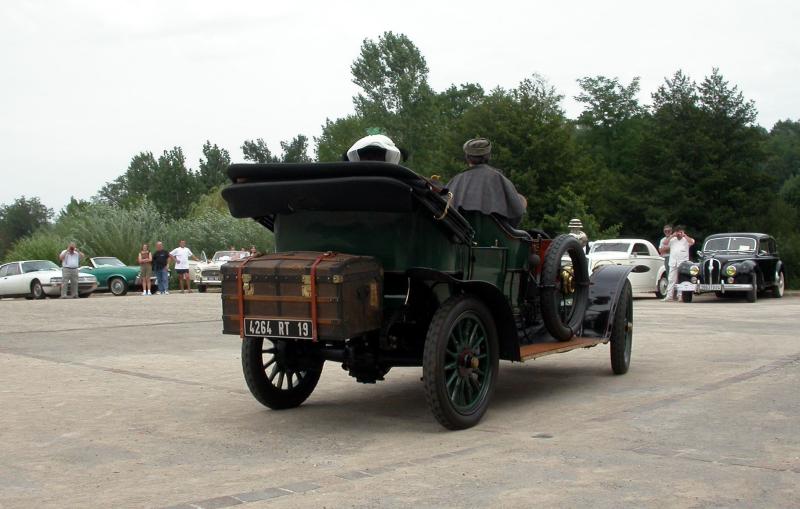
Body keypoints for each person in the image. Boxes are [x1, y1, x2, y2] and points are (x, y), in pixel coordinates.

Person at [446, 137, 527, 228]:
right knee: (521, 200)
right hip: (495, 238)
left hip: (460, 237)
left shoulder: (455, 180)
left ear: (467, 157)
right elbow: (516, 213)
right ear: (489, 156)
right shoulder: (499, 178)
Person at [662, 225, 695, 302]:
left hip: (682, 263)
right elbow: (665, 243)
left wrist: (684, 235)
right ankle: (669, 296)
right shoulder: (672, 240)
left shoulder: (686, 240)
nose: (678, 234)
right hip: (673, 262)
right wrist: (672, 235)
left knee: (681, 279)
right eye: (677, 232)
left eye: (680, 232)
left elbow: (692, 242)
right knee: (671, 279)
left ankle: (680, 296)